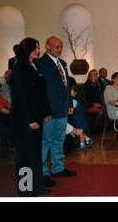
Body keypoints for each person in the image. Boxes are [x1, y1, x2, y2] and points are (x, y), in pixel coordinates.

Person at [10, 37, 52, 196]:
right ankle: (26, 190)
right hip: (25, 119)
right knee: (26, 155)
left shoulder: (33, 66)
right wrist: (30, 119)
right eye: (35, 48)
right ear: (27, 49)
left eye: (38, 47)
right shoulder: (20, 68)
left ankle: (36, 186)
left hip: (36, 117)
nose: (38, 51)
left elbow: (39, 92)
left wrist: (46, 111)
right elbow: (20, 97)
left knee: (35, 153)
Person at [37, 36, 77, 189]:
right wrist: (44, 109)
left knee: (59, 139)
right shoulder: (40, 64)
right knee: (45, 141)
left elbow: (66, 87)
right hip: (48, 110)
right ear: (47, 46)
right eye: (56, 47)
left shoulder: (63, 64)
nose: (59, 49)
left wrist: (69, 103)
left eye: (60, 47)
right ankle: (43, 172)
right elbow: (41, 90)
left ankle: (58, 168)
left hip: (62, 108)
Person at [70, 84, 93, 150]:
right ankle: (88, 139)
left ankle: (82, 144)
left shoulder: (73, 101)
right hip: (79, 118)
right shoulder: (76, 100)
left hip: (78, 119)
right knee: (80, 131)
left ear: (75, 93)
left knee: (79, 131)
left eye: (70, 91)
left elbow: (72, 111)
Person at [82, 69, 105, 134]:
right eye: (94, 74)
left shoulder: (99, 85)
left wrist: (101, 103)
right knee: (100, 111)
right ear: (90, 76)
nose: (96, 76)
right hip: (88, 105)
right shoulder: (86, 86)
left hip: (98, 104)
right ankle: (94, 130)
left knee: (104, 109)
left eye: (96, 74)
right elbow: (85, 98)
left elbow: (101, 97)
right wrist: (93, 104)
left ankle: (100, 130)